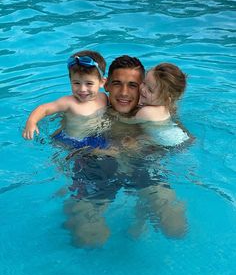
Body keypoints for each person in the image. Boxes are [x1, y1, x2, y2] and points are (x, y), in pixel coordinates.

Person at [63, 55, 187, 248]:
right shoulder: (88, 110)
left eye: (133, 85)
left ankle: (142, 210)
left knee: (175, 228)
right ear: (106, 85)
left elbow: (180, 139)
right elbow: (60, 140)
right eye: (117, 84)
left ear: (143, 88)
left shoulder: (152, 114)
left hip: (142, 166)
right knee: (88, 239)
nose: (124, 92)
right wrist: (91, 150)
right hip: (96, 170)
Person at [22, 50, 108, 149]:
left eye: (89, 83)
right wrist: (31, 122)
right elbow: (44, 109)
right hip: (71, 142)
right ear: (70, 81)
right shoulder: (68, 102)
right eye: (76, 83)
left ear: (102, 82)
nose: (82, 89)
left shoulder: (104, 98)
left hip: (95, 138)